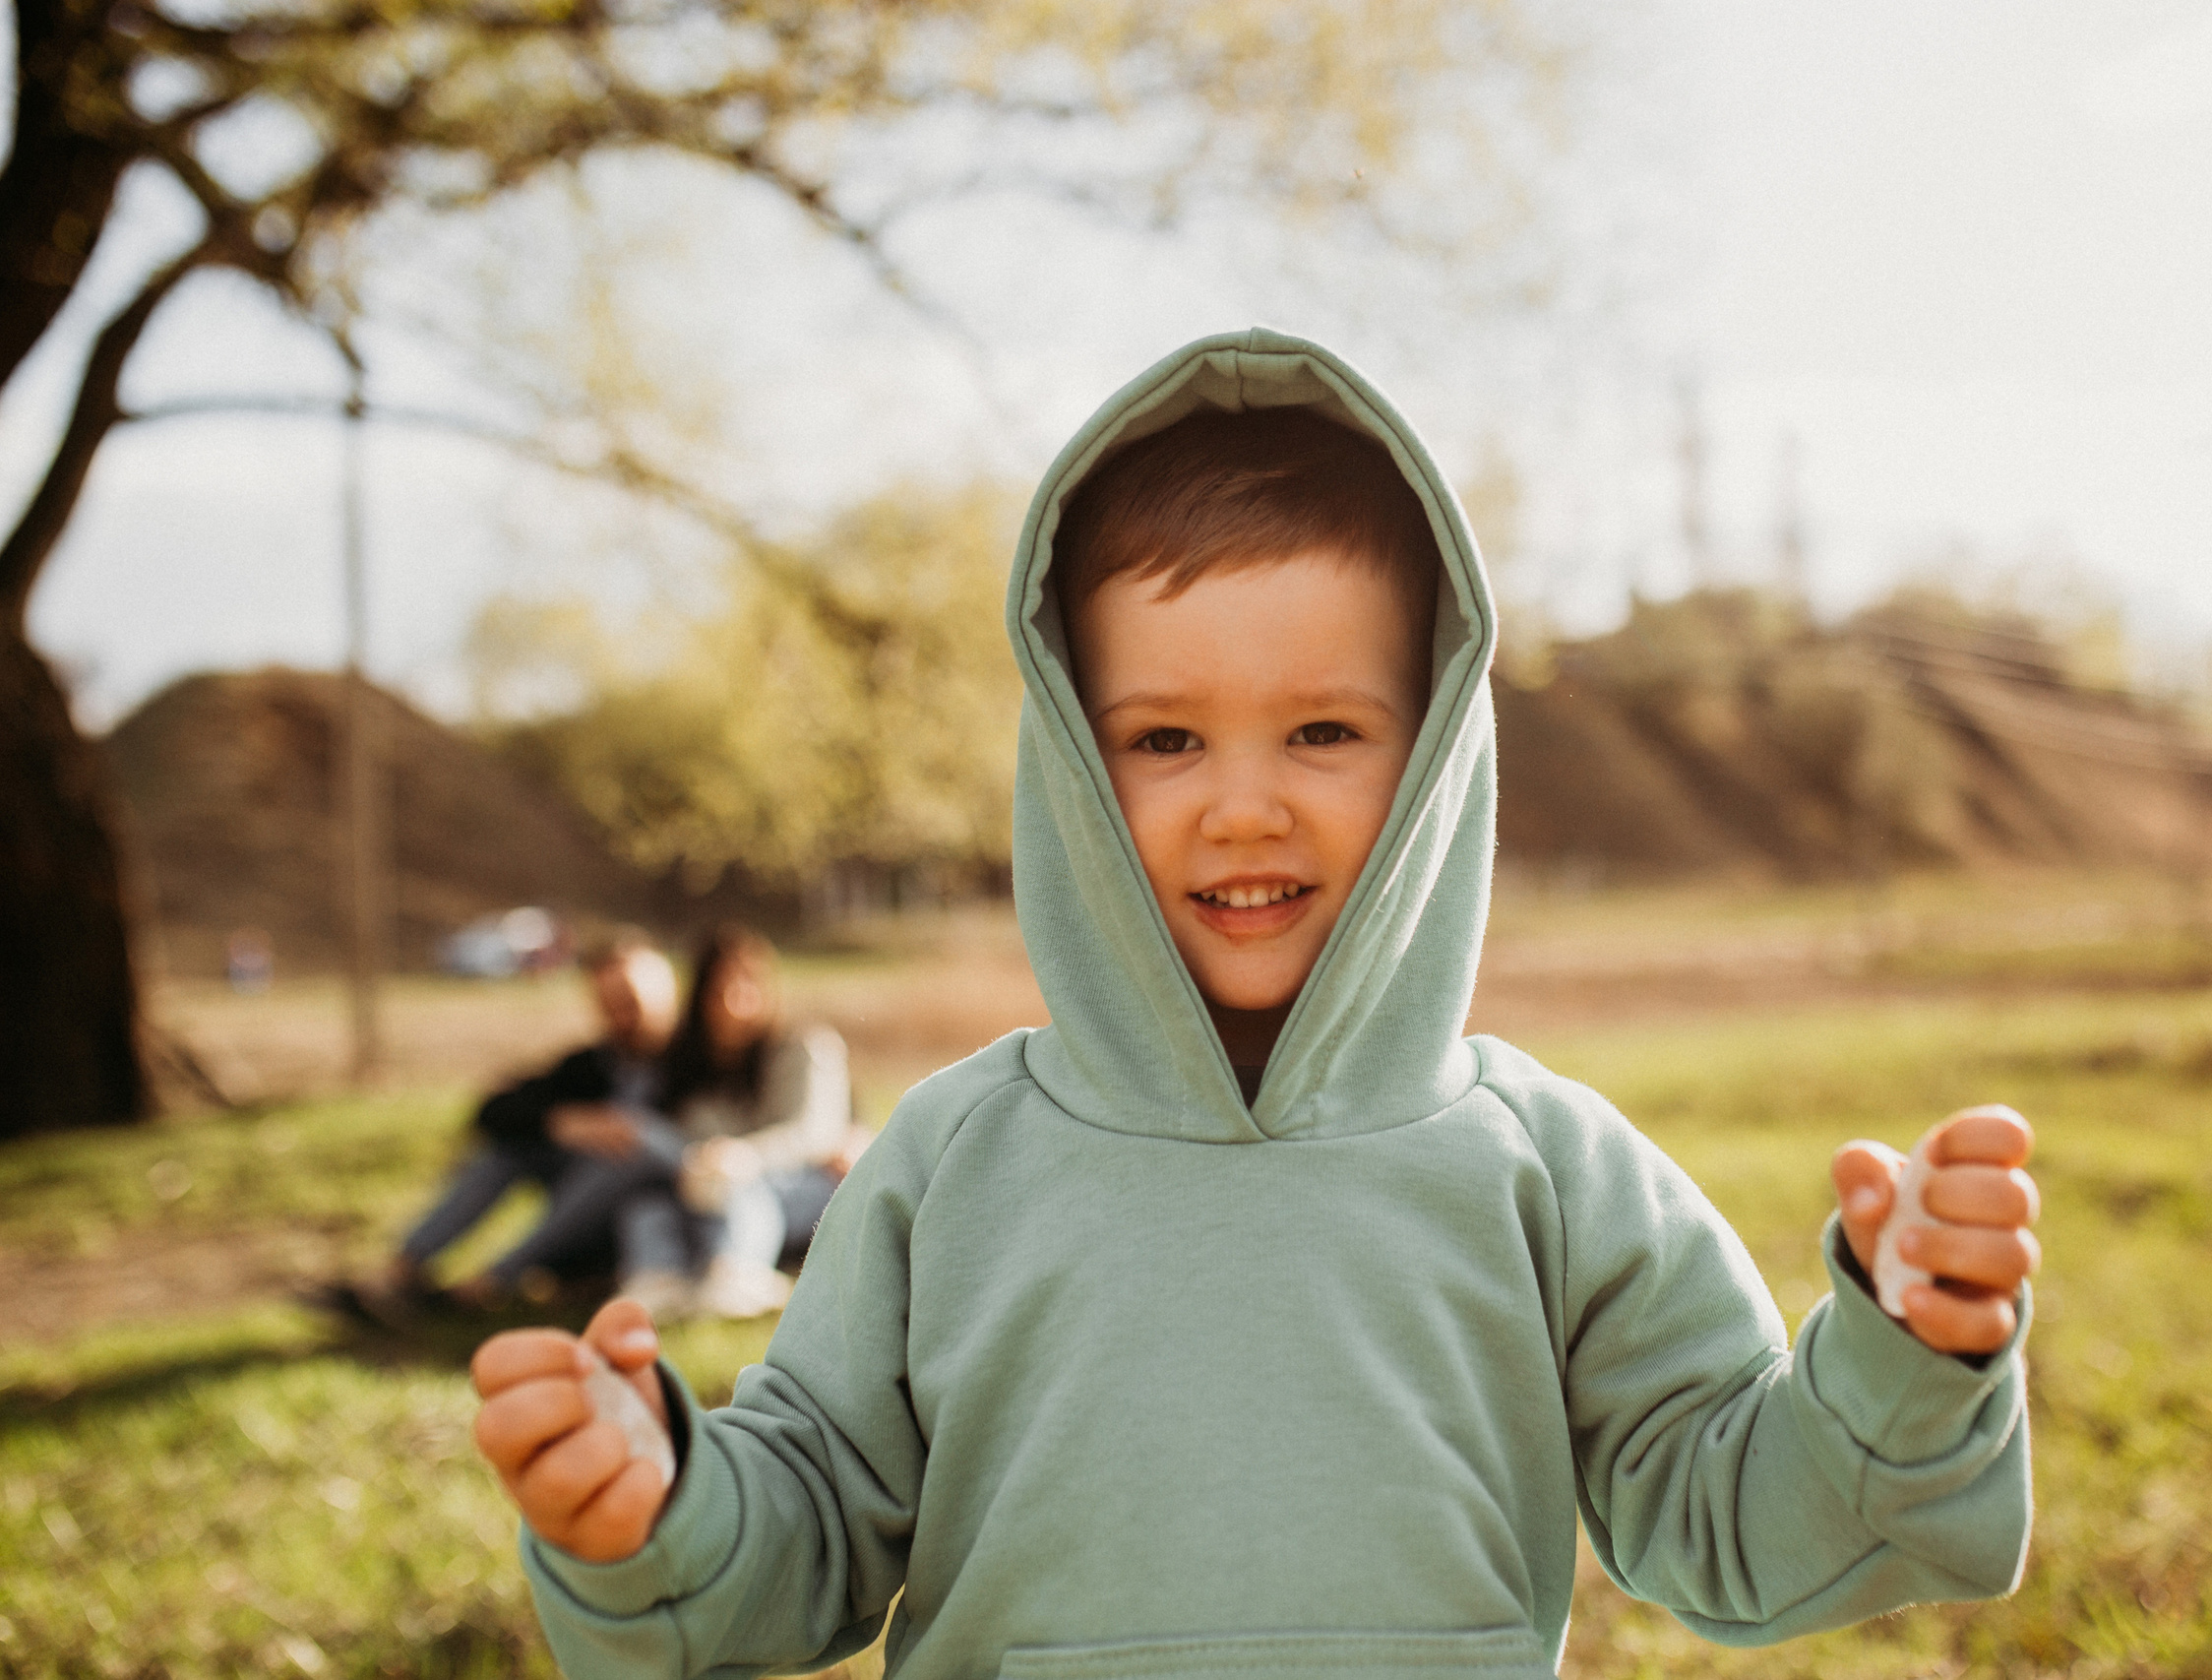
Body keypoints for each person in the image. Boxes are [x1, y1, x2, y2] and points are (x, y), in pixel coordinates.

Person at [471, 331, 2045, 1679]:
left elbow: (1727, 1506)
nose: (1243, 806)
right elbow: (810, 1510)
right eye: (1164, 740)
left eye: (1322, 730)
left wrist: (1905, 1352)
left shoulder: (1543, 1164)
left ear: (1431, 753)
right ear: (1074, 766)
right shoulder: (955, 1157)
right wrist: (659, 1505)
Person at [336, 931, 679, 1321]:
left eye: (630, 1000)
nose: (620, 1014)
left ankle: (492, 1282)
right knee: (509, 1151)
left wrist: (629, 1132)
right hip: (582, 1210)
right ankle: (401, 1271)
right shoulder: (592, 1065)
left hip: (658, 1213)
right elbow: (494, 1110)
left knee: (628, 1151)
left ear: (666, 986)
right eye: (607, 1003)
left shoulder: (695, 1061)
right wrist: (565, 1123)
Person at [612, 925, 871, 1324]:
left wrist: (744, 1156)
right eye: (720, 991)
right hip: (707, 1187)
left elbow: (813, 1133)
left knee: (739, 1187)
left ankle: (736, 1270)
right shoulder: (686, 1065)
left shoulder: (805, 1045)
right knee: (651, 1206)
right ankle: (657, 1279)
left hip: (804, 1185)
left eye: (748, 986)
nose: (735, 1004)